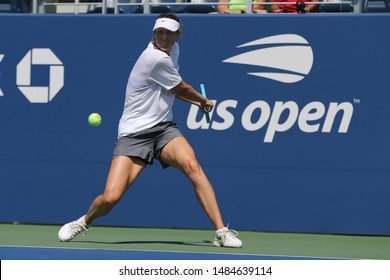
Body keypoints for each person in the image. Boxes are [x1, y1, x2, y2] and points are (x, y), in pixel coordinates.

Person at [58, 13, 242, 248]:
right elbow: (181, 88)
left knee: (192, 165)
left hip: (164, 130)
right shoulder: (154, 58)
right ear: (153, 33)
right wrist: (203, 102)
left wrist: (198, 102)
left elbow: (173, 90)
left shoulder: (173, 52)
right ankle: (84, 221)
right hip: (134, 134)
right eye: (159, 32)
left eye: (168, 33)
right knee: (111, 197)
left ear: (178, 34)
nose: (163, 37)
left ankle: (221, 231)